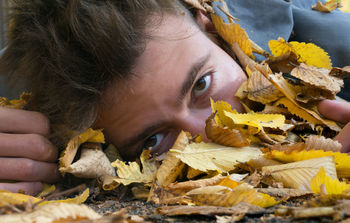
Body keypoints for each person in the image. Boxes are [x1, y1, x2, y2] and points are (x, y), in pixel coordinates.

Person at [0, 0, 349, 195]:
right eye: (153, 139)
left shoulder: (337, 41)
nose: (208, 133)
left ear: (210, 25)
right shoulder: (34, 92)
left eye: (201, 85)